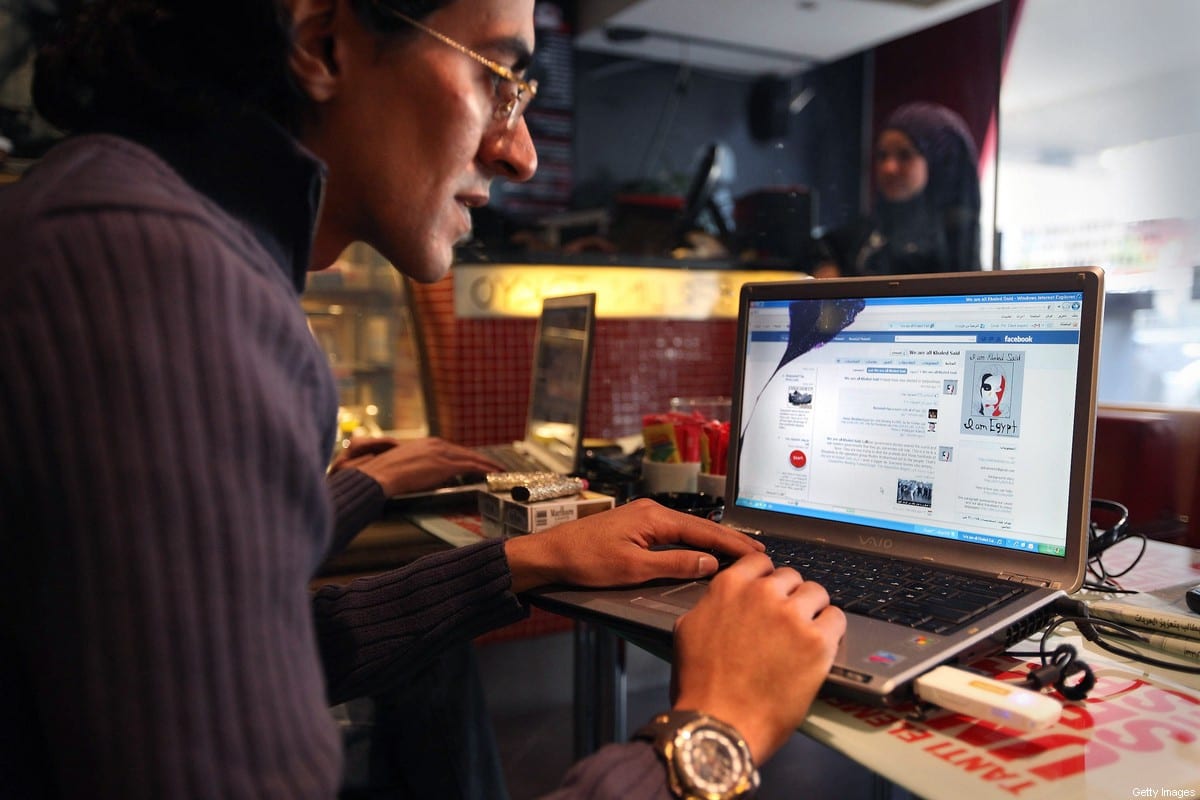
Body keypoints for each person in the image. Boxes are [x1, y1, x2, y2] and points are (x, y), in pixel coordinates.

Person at [0, 2, 846, 799]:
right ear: (326, 41)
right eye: (499, 77)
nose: (522, 154)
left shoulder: (125, 219)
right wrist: (712, 734)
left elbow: (254, 651)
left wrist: (526, 562)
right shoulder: (167, 285)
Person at [815, 101, 982, 277]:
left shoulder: (952, 245)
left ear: (938, 165)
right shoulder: (868, 233)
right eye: (882, 155)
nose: (888, 168)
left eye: (905, 155)